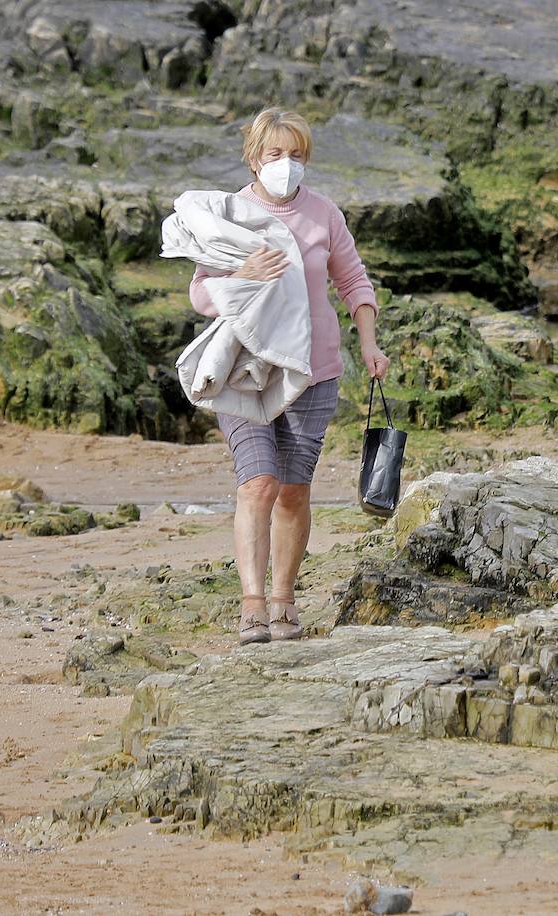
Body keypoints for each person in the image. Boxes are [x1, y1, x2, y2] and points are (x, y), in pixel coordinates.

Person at [189, 107, 390, 645]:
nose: (286, 164)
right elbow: (200, 293)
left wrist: (369, 343)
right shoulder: (229, 213)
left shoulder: (324, 214)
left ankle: (283, 598)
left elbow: (353, 281)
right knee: (258, 482)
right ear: (254, 157)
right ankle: (252, 604)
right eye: (276, 154)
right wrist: (241, 272)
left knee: (294, 492)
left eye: (296, 155)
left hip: (315, 371)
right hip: (246, 372)